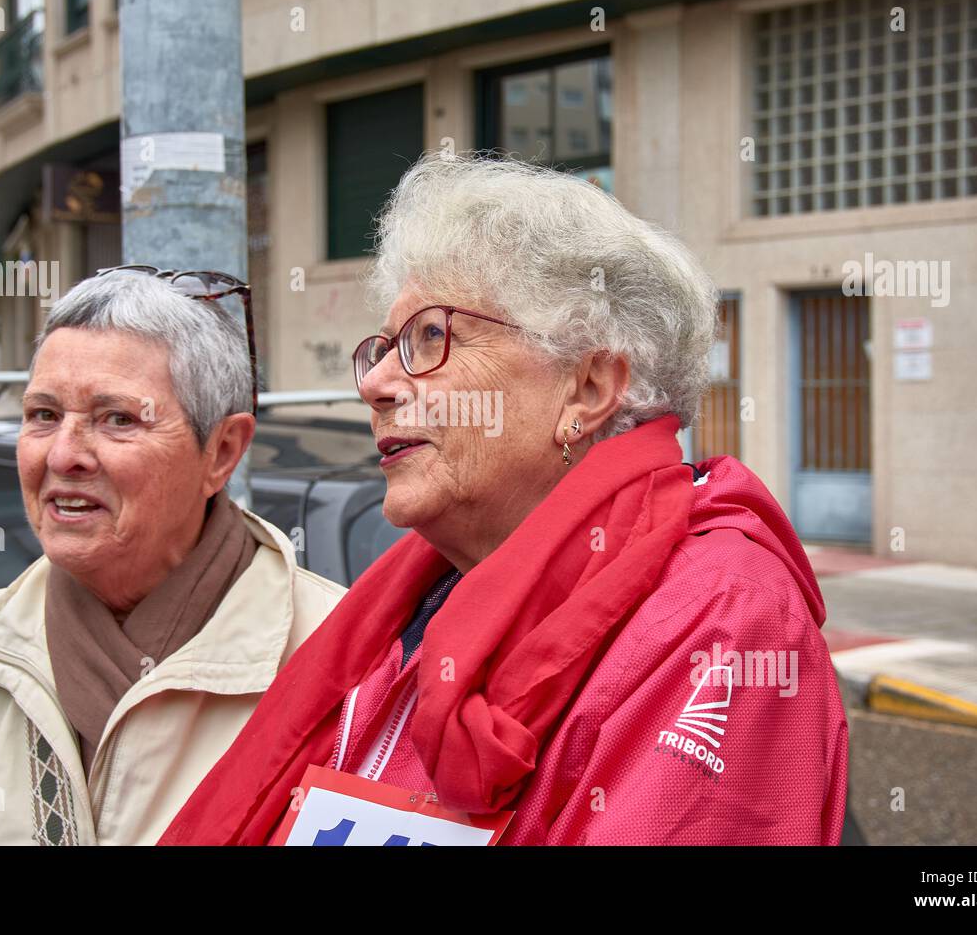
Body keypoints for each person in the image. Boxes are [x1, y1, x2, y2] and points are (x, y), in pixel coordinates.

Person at [162, 153, 850, 846]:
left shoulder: (722, 619)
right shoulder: (418, 598)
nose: (375, 384)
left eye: (430, 336)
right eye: (383, 347)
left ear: (586, 389)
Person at [0, 269, 344, 844]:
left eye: (117, 419)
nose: (63, 455)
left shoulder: (342, 660)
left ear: (221, 452)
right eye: (43, 415)